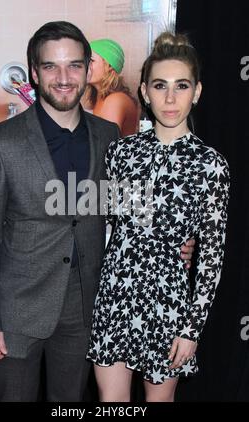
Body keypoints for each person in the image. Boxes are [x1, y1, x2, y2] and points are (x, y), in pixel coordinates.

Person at [0, 22, 195, 402]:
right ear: (35, 73)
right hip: (17, 310)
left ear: (89, 70)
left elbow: (126, 204)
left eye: (74, 65)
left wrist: (176, 241)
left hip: (86, 307)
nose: (63, 78)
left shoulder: (108, 136)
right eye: (51, 67)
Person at [86, 32, 230, 402]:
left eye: (181, 86)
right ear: (145, 93)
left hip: (169, 303)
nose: (170, 98)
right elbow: (107, 222)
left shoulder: (210, 166)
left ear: (196, 92)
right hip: (115, 294)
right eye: (160, 86)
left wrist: (192, 329)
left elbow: (211, 257)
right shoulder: (120, 152)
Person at [83, 38, 138, 136]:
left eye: (91, 60)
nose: (85, 65)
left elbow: (104, 144)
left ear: (109, 66)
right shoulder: (99, 98)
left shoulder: (116, 100)